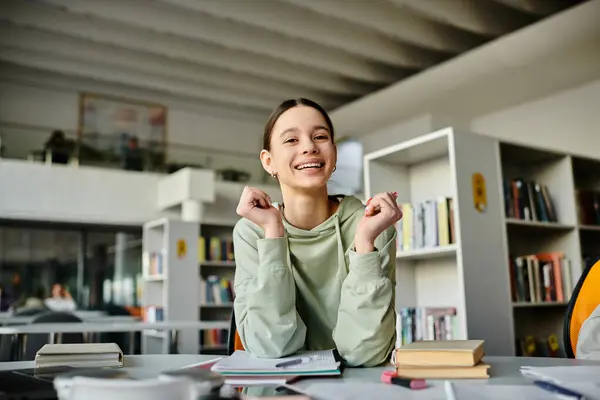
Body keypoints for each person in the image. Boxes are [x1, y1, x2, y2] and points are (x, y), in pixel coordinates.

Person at [232, 98, 402, 367]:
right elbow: (271, 346)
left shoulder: (372, 225)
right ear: (268, 161)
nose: (309, 147)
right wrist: (274, 234)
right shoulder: (252, 231)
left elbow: (366, 354)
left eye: (320, 137)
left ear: (333, 153)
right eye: (291, 140)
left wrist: (365, 244)